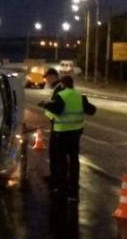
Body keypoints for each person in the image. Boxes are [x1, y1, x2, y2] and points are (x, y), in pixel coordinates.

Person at [39, 70, 96, 200]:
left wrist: (46, 105)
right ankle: (74, 188)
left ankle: (62, 187)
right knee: (74, 160)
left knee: (62, 160)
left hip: (62, 132)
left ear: (63, 85)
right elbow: (92, 110)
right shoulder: (79, 95)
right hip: (76, 133)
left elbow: (57, 110)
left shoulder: (62, 95)